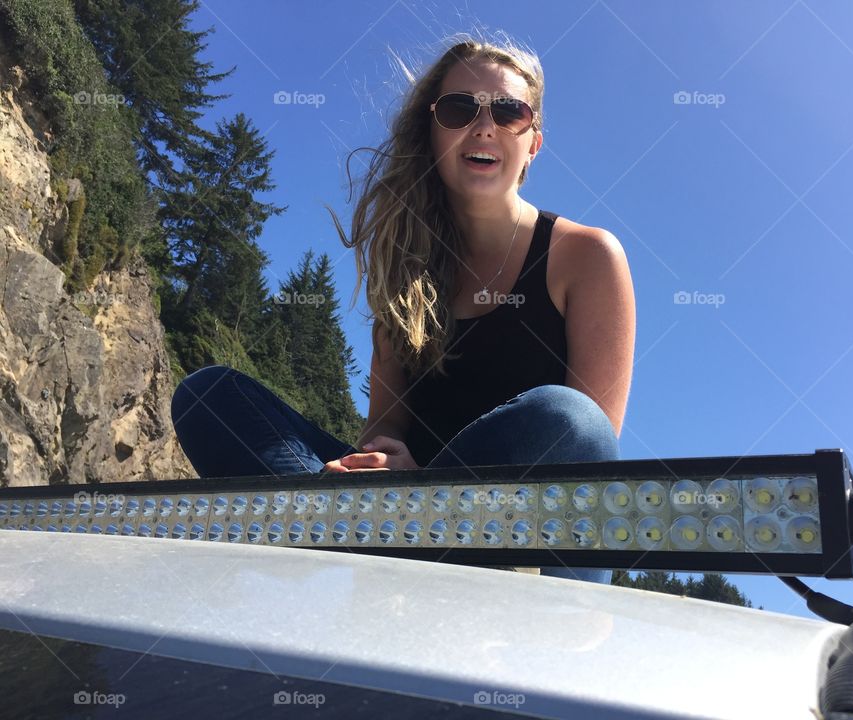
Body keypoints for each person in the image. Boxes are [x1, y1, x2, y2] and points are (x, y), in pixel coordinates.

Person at [171, 34, 636, 584]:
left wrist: (432, 495)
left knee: (567, 417)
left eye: (509, 111)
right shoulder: (408, 267)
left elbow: (589, 455)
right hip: (395, 515)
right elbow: (383, 433)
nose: (483, 125)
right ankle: (340, 526)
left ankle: (329, 536)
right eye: (461, 108)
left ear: (532, 142)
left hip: (511, 530)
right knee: (209, 395)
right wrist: (386, 472)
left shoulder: (585, 256)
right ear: (433, 132)